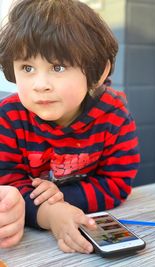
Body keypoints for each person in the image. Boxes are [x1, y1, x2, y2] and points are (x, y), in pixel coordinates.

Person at [0, 0, 140, 253]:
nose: (40, 84)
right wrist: (50, 213)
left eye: (58, 66)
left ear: (97, 72)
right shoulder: (9, 117)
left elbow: (117, 182)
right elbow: (7, 182)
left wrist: (63, 198)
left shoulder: (114, 115)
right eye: (27, 67)